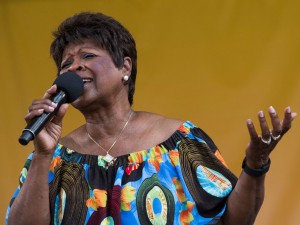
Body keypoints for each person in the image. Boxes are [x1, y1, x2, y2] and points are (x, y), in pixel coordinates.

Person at [6, 12, 296, 225]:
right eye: (66, 63)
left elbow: (236, 221)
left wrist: (256, 166)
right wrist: (42, 154)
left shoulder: (181, 141)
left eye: (88, 56)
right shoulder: (55, 157)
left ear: (125, 68)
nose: (75, 66)